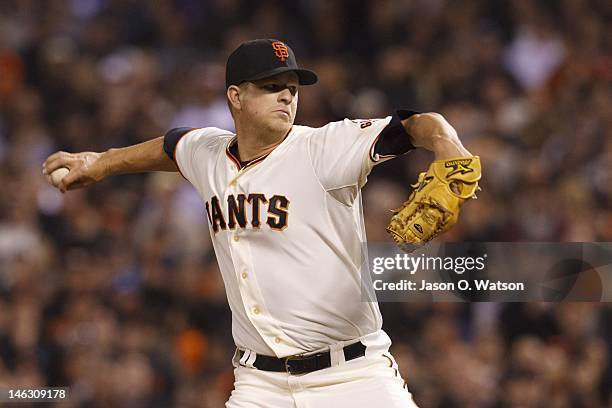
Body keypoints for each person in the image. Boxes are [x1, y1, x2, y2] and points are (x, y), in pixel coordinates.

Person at [43, 39, 473, 407]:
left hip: (353, 376)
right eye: (272, 87)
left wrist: (448, 148)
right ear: (236, 96)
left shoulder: (324, 147)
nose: (287, 96)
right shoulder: (208, 152)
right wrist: (100, 163)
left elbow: (420, 125)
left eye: (291, 88)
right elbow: (172, 146)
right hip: (260, 384)